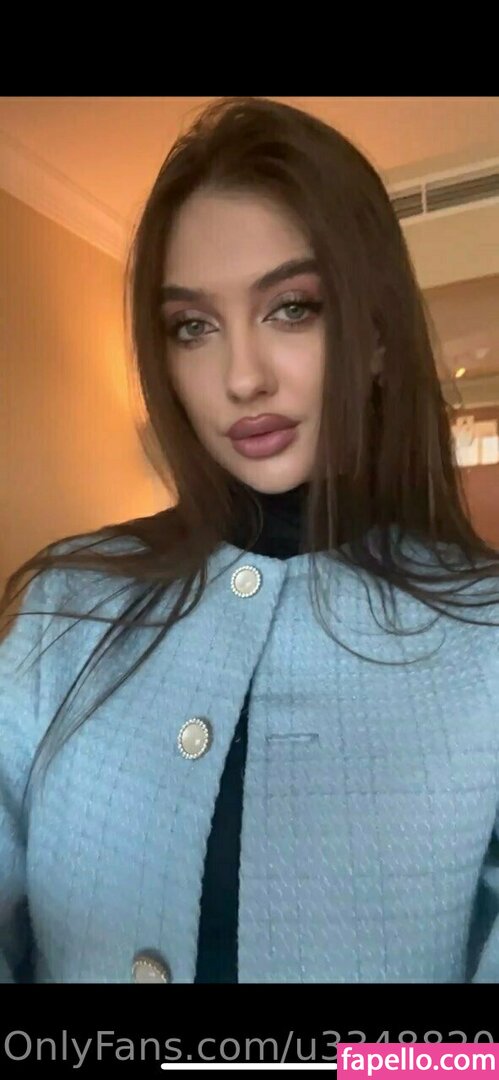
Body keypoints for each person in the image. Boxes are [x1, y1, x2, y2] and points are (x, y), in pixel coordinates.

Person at [2, 95, 499, 986]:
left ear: (376, 335)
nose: (241, 377)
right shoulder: (67, 604)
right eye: (192, 326)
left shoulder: (485, 635)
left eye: (292, 308)